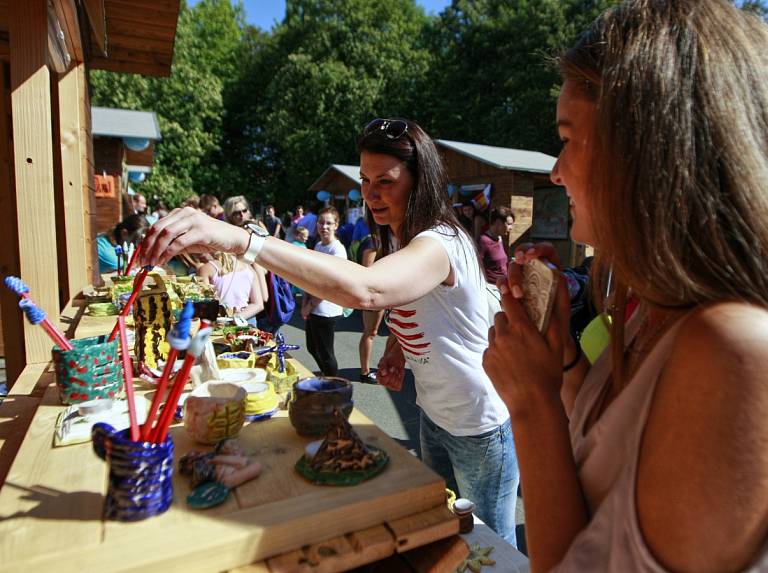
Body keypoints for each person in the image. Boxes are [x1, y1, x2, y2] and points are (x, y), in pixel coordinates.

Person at [483, 1, 768, 571]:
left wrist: (530, 406)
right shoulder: (649, 308)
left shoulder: (736, 347)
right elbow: (612, 453)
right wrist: (556, 362)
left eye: (570, 137)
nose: (556, 170)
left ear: (652, 153)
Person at [140, 118, 520, 545]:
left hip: (478, 426)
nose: (370, 193)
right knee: (444, 533)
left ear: (420, 181)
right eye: (365, 180)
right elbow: (419, 300)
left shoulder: (440, 241)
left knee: (492, 548)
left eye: (385, 181)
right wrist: (397, 347)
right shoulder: (403, 238)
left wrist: (241, 240)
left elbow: (369, 289)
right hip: (435, 416)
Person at [300, 207, 347, 376]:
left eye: (329, 223)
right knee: (312, 348)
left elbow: (329, 286)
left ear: (336, 225)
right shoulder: (318, 245)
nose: (324, 226)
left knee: (326, 353)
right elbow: (310, 279)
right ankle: (328, 378)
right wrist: (305, 303)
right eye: (321, 222)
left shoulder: (337, 250)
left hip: (327, 310)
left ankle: (335, 387)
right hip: (314, 307)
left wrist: (309, 306)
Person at [350, 216, 384, 384]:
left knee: (371, 333)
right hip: (375, 294)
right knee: (370, 333)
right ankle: (365, 372)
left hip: (376, 294)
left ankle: (367, 370)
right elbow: (368, 271)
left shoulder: (368, 236)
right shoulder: (373, 241)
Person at [197, 251, 264, 326]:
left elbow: (204, 303)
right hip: (245, 320)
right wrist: (236, 318)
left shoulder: (206, 268)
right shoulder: (250, 269)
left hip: (218, 322)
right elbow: (258, 304)